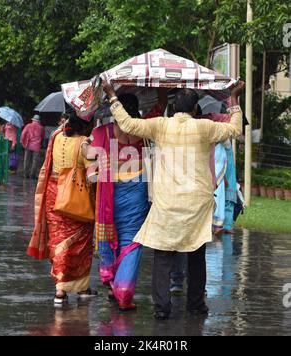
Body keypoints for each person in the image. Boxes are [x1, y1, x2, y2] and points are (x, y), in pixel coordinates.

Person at [102, 79, 245, 319]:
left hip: (167, 202)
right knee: (196, 255)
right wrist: (234, 98)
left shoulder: (161, 125)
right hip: (197, 204)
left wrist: (111, 95)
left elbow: (126, 123)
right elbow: (235, 129)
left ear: (174, 107)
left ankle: (161, 308)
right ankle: (196, 305)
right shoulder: (204, 127)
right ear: (195, 109)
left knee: (163, 255)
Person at [82, 90, 167, 311]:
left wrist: (85, 146)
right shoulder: (144, 128)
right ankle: (123, 291)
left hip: (110, 190)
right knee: (132, 240)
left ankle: (113, 285)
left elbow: (89, 155)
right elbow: (160, 106)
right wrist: (160, 88)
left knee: (111, 235)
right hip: (138, 189)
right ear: (136, 109)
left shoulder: (103, 131)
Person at [27, 110, 97, 304]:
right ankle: (81, 288)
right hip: (76, 197)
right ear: (85, 126)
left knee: (58, 241)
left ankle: (60, 289)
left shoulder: (56, 137)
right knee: (80, 245)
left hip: (53, 193)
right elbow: (92, 176)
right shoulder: (84, 143)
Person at [20, 114, 45, 179]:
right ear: (39, 121)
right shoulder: (41, 128)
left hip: (28, 145)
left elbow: (23, 134)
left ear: (33, 120)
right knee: (35, 161)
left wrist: (22, 142)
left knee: (27, 160)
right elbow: (42, 137)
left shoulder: (28, 126)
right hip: (37, 146)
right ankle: (32, 175)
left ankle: (26, 174)